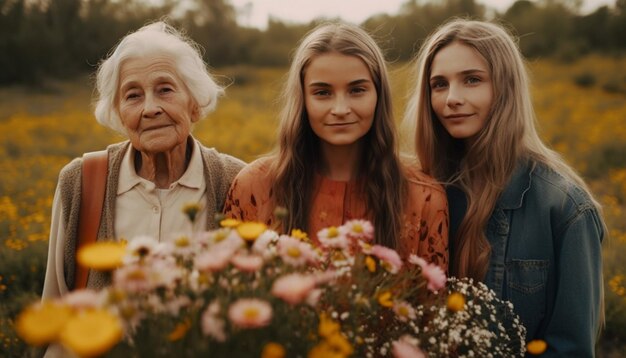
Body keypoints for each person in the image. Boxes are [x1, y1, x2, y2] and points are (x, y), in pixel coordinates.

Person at [405, 18, 606, 356]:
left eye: (472, 80)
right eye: (439, 84)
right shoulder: (424, 193)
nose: (452, 98)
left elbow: (570, 348)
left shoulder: (566, 208)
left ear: (506, 87)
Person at [42, 21, 245, 298]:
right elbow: (56, 307)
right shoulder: (79, 182)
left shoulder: (238, 182)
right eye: (133, 95)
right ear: (119, 114)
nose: (150, 108)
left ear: (195, 104)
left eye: (165, 90)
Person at [224, 22, 448, 268]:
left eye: (357, 90)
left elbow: (431, 303)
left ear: (378, 95)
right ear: (303, 100)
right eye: (322, 93)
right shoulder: (253, 188)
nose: (340, 109)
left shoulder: (424, 197)